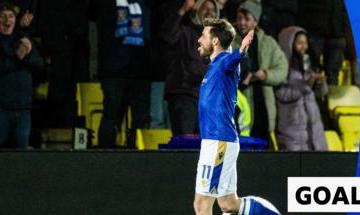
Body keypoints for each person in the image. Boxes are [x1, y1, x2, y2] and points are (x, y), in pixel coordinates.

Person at [194, 18, 301, 215]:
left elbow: (233, 60)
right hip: (217, 141)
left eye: (204, 35)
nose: (199, 39)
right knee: (228, 204)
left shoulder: (225, 61)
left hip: (218, 142)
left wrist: (241, 51)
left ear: (215, 41)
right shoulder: (215, 65)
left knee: (201, 203)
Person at [95, 0, 151, 148]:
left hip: (140, 70)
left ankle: (138, 160)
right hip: (113, 69)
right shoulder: (106, 4)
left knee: (141, 118)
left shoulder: (145, 3)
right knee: (111, 116)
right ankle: (104, 159)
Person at [232, 0, 288, 146]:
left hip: (262, 109)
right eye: (239, 18)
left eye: (247, 19)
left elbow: (282, 68)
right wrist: (242, 77)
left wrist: (266, 75)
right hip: (237, 108)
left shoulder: (268, 42)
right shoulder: (229, 42)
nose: (242, 22)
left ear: (255, 22)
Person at [0, 2, 43, 148]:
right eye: (3, 16)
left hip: (23, 112)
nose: (8, 20)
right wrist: (18, 57)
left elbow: (39, 64)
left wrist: (28, 55)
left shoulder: (22, 38)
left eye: (11, 16)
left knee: (20, 162)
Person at [160, 0, 219, 136]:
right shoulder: (185, 32)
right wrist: (182, 11)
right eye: (205, 8)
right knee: (184, 146)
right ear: (196, 12)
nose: (210, 12)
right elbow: (167, 35)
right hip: (184, 96)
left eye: (213, 10)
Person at [275, 26, 328, 151]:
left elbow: (322, 93)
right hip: (292, 135)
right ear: (289, 44)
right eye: (299, 43)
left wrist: (320, 83)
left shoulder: (310, 64)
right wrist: (305, 86)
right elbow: (281, 94)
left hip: (315, 134)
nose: (304, 46)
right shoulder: (282, 68)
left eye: (306, 42)